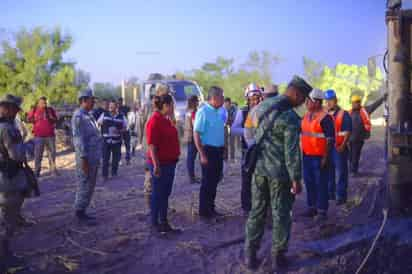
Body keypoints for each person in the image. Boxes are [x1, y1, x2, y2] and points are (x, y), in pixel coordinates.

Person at [244, 76, 312, 271]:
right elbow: (291, 152)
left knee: (256, 212)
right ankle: (278, 257)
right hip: (279, 175)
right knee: (281, 214)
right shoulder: (290, 117)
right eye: (303, 98)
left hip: (258, 171)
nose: (303, 103)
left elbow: (251, 133)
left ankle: (250, 255)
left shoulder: (263, 106)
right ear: (296, 94)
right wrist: (296, 179)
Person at [0, 94, 35, 271]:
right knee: (8, 219)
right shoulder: (7, 128)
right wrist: (30, 144)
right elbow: (17, 155)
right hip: (9, 179)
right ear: (8, 108)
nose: (15, 113)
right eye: (14, 109)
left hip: (5, 176)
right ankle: (5, 257)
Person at [146, 94, 180, 233]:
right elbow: (152, 146)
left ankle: (163, 222)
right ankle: (156, 223)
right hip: (161, 164)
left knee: (164, 194)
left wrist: (172, 120)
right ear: (166, 105)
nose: (173, 108)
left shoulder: (165, 119)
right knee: (158, 194)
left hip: (169, 163)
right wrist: (156, 165)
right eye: (172, 105)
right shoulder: (154, 121)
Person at [301, 89, 335, 221]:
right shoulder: (306, 116)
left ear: (316, 102)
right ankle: (312, 207)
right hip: (307, 155)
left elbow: (330, 140)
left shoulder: (325, 118)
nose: (306, 103)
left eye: (308, 100)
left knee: (321, 184)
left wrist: (325, 157)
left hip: (319, 157)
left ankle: (322, 211)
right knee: (309, 182)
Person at [71, 89, 103, 225]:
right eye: (91, 100)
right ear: (84, 100)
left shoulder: (88, 115)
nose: (93, 102)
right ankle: (80, 213)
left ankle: (83, 210)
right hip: (86, 159)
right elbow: (79, 140)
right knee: (84, 185)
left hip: (93, 157)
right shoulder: (79, 117)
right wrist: (84, 159)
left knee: (89, 185)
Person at [193, 86, 225, 218]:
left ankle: (211, 208)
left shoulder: (219, 111)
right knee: (207, 182)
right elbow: (196, 133)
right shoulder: (203, 111)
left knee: (215, 180)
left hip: (218, 151)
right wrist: (202, 154)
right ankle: (204, 212)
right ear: (215, 98)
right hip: (208, 151)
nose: (223, 99)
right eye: (222, 97)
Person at [231, 83, 262, 215]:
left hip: (262, 152)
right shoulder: (242, 112)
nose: (255, 100)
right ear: (247, 99)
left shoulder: (265, 110)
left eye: (257, 97)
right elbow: (233, 129)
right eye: (252, 98)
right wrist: (248, 130)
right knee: (247, 180)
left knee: (262, 180)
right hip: (248, 152)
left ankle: (262, 206)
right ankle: (247, 208)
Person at [324, 90, 352, 205]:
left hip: (339, 148)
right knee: (329, 171)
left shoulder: (343, 114)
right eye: (327, 101)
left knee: (341, 173)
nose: (328, 103)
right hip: (328, 148)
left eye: (330, 100)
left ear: (335, 100)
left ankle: (341, 197)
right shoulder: (325, 114)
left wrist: (342, 145)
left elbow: (348, 132)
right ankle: (331, 194)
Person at [349, 94, 386, 175]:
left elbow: (375, 105)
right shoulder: (349, 113)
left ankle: (353, 171)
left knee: (355, 155)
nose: (356, 104)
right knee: (350, 156)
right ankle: (351, 169)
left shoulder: (365, 110)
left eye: (357, 102)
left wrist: (383, 98)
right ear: (352, 103)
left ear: (360, 103)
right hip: (349, 139)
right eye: (354, 102)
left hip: (359, 139)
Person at [27, 96, 59, 177]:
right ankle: (37, 172)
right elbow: (28, 119)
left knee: (52, 154)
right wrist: (34, 120)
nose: (43, 104)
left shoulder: (50, 110)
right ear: (38, 103)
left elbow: (56, 119)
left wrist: (52, 118)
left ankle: (53, 171)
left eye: (45, 102)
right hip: (39, 136)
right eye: (42, 102)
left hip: (50, 136)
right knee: (38, 155)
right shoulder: (34, 109)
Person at [97, 101, 127, 181]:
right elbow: (98, 124)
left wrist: (119, 131)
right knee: (105, 159)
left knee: (115, 159)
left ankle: (114, 173)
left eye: (112, 106)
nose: (111, 107)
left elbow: (125, 128)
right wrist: (101, 129)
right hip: (106, 140)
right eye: (110, 106)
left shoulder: (121, 116)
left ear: (116, 107)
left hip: (116, 141)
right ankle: (104, 175)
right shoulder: (104, 115)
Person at [183, 95, 200, 184]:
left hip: (189, 136)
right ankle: (192, 177)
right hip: (194, 137)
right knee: (194, 157)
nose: (198, 102)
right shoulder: (193, 112)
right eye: (197, 101)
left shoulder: (187, 111)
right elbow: (195, 125)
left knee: (190, 158)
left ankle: (191, 177)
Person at [118, 97, 131, 165]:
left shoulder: (126, 108)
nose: (120, 102)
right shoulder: (117, 109)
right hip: (120, 129)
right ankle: (119, 159)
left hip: (126, 128)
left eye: (121, 101)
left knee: (127, 145)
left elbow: (130, 112)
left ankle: (128, 159)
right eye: (119, 101)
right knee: (119, 145)